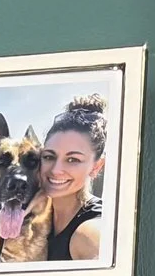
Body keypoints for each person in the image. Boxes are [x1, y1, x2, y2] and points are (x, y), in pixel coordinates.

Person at [41, 94, 108, 261]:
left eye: (73, 160)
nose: (56, 170)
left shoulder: (89, 234)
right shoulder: (34, 217)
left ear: (96, 167)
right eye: (49, 156)